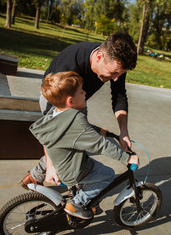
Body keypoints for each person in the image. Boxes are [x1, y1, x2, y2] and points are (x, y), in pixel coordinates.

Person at [21, 33, 138, 189]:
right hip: (55, 99)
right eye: (114, 73)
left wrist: (123, 132)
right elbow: (51, 131)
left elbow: (119, 96)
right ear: (99, 57)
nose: (116, 78)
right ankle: (73, 193)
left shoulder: (115, 61)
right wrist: (50, 166)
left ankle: (42, 177)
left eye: (120, 73)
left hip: (76, 100)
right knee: (69, 143)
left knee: (78, 141)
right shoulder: (69, 66)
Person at [29, 71, 139, 219]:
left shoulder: (54, 113)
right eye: (81, 91)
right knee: (107, 175)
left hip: (62, 165)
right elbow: (100, 145)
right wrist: (126, 158)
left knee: (97, 171)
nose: (85, 92)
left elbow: (75, 130)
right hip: (74, 169)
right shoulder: (76, 118)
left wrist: (99, 130)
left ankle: (89, 202)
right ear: (70, 101)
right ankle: (78, 204)